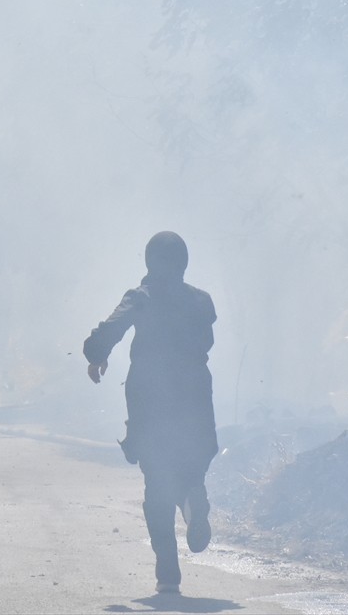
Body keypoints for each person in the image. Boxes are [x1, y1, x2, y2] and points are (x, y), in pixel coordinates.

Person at [83, 232, 220, 595]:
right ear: (185, 263)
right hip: (195, 394)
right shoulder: (201, 301)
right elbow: (205, 341)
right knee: (190, 462)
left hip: (152, 397)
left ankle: (168, 577)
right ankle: (192, 495)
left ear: (149, 262)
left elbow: (106, 333)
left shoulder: (141, 297)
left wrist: (97, 354)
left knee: (157, 481)